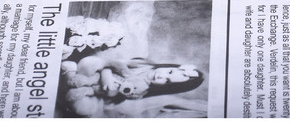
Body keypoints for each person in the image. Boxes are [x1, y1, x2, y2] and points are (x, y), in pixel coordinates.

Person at [60, 55, 204, 117]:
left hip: (97, 93)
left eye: (166, 81)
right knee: (90, 62)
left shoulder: (143, 91)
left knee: (83, 109)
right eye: (169, 72)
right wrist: (107, 77)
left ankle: (71, 79)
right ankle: (70, 73)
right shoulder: (143, 64)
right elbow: (111, 64)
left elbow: (116, 98)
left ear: (166, 87)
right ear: (169, 66)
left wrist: (113, 91)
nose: (162, 76)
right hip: (97, 74)